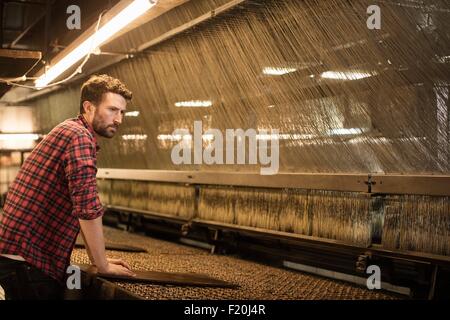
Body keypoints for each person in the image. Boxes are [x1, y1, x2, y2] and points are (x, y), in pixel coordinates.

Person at [0, 74, 136, 300]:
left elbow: (79, 203)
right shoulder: (79, 137)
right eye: (112, 109)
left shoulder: (70, 130)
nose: (119, 119)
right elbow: (87, 205)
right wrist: (102, 265)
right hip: (27, 263)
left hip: (20, 256)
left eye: (122, 112)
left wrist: (98, 258)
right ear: (88, 107)